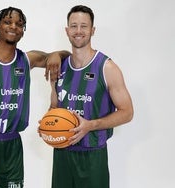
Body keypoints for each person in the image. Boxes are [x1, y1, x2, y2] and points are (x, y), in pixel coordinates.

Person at [0, 7, 69, 188]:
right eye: (7, 22)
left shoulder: (27, 60)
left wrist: (56, 54)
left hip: (12, 146)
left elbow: (65, 57)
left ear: (23, 32)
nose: (13, 27)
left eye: (19, 24)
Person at [48, 5, 134, 188]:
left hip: (93, 155)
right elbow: (54, 107)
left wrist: (91, 125)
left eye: (84, 26)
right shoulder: (59, 66)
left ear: (92, 30)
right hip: (62, 154)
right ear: (67, 30)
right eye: (73, 26)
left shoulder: (107, 68)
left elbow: (127, 112)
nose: (78, 31)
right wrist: (48, 125)